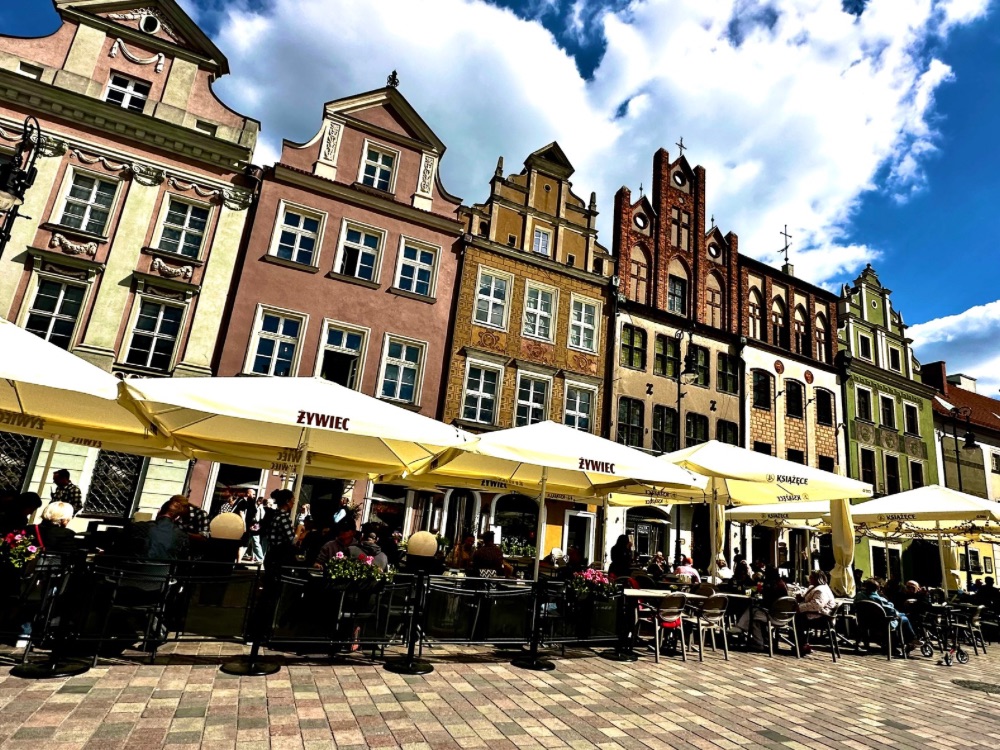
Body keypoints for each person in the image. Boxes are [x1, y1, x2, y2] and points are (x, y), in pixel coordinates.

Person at [118, 498, 190, 561]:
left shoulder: (137, 527)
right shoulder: (182, 536)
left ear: (159, 511)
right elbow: (182, 561)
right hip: (162, 574)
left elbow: (120, 551)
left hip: (133, 574)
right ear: (177, 518)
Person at [856, 578, 917, 650]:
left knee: (902, 616)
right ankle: (910, 641)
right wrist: (895, 610)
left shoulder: (859, 596)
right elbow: (891, 611)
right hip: (881, 624)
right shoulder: (878, 599)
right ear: (878, 588)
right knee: (904, 618)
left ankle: (907, 642)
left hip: (865, 622)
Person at [795, 570, 836, 655]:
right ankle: (802, 644)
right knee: (797, 617)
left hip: (823, 618)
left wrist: (799, 608)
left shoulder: (821, 590)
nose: (809, 578)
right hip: (817, 614)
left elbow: (816, 605)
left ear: (816, 579)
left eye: (811, 577)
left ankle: (801, 645)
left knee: (797, 619)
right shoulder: (814, 587)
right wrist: (802, 598)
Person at [265, 489, 297, 567]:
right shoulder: (284, 517)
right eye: (292, 500)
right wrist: (299, 529)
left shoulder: (275, 515)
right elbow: (292, 540)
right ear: (287, 501)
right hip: (280, 557)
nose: (293, 503)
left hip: (271, 554)